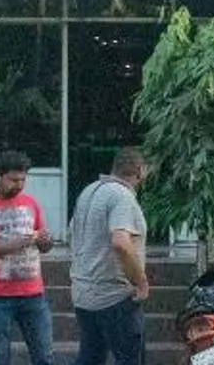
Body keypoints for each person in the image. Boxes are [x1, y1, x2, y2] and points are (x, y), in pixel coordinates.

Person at [0, 150, 59, 365]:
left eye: (23, 180)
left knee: (45, 356)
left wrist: (45, 241)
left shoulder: (30, 203)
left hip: (33, 292)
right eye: (13, 180)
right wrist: (11, 246)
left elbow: (44, 243)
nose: (19, 185)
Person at [66, 146, 151, 365]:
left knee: (90, 356)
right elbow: (121, 242)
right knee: (129, 359)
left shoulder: (88, 191)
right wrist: (140, 281)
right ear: (140, 170)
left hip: (83, 294)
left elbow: (72, 234)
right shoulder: (122, 196)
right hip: (115, 296)